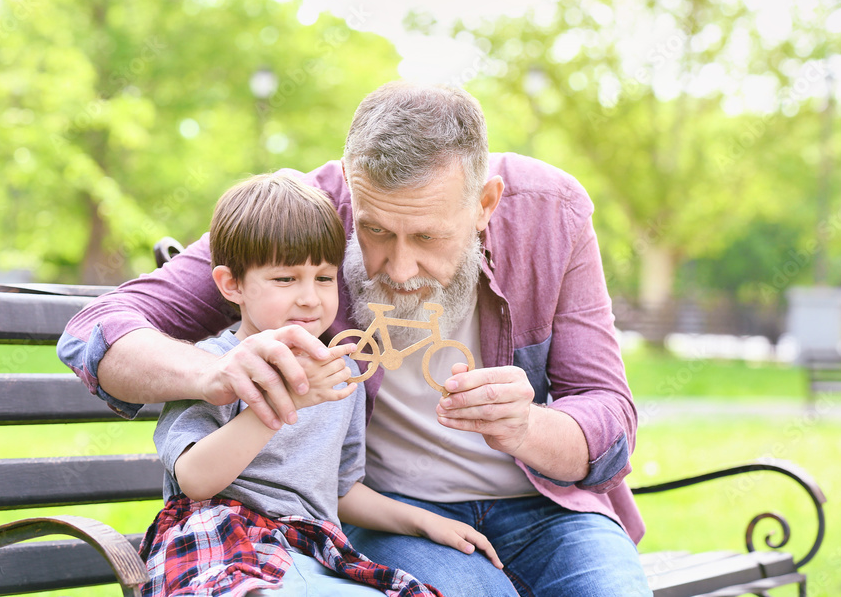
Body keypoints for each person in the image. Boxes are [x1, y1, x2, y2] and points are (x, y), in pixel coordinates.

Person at [59, 82, 652, 596]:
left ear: (484, 204)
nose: (398, 267)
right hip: (397, 513)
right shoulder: (304, 216)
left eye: (426, 236)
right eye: (374, 230)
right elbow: (97, 330)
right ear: (350, 187)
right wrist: (215, 376)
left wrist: (528, 427)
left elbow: (610, 419)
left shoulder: (551, 214)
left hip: (550, 509)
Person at [136, 173, 501, 596]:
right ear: (232, 284)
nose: (310, 298)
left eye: (324, 278)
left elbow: (341, 491)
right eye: (286, 280)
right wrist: (284, 400)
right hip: (222, 536)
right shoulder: (216, 366)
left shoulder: (342, 371)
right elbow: (195, 479)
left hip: (309, 546)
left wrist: (421, 521)